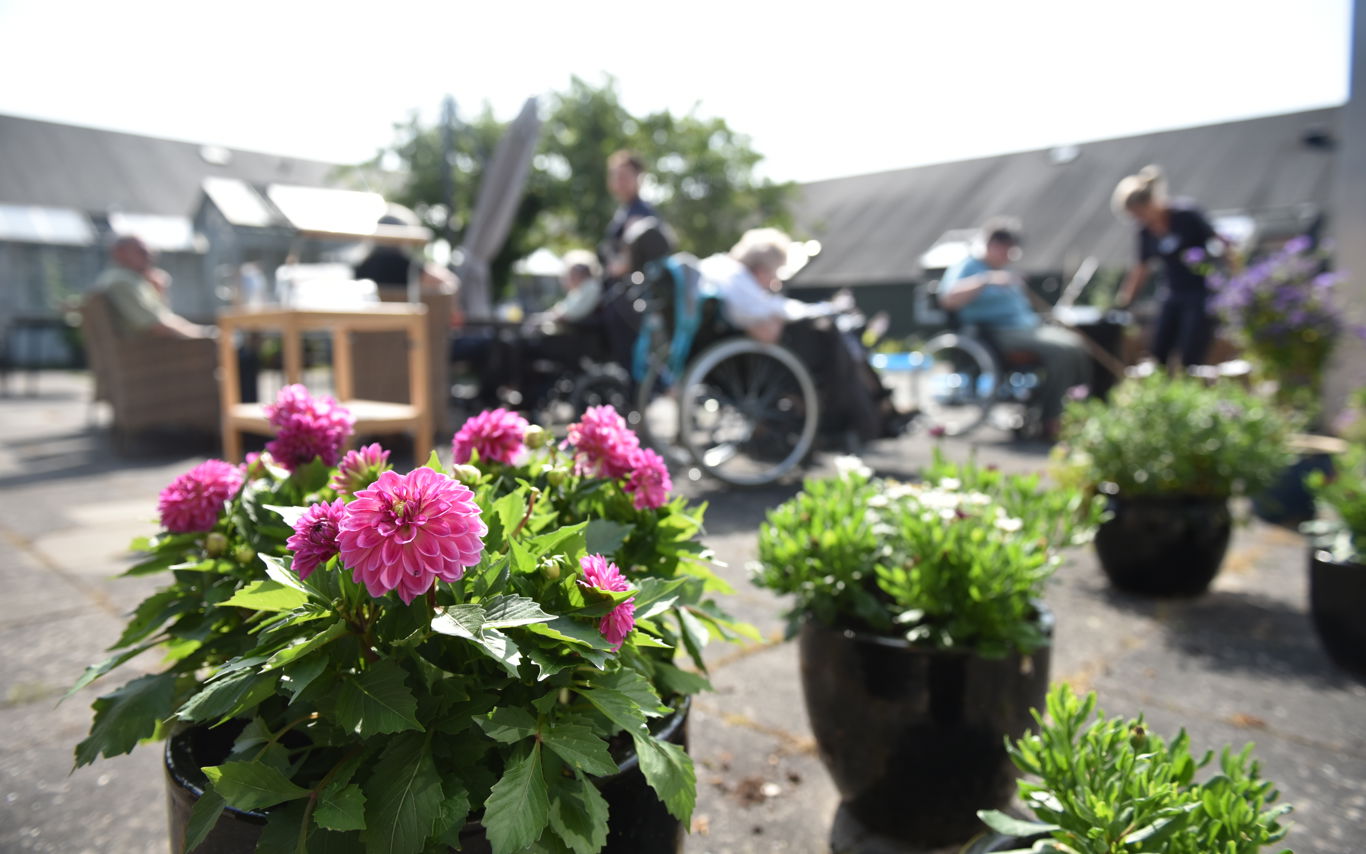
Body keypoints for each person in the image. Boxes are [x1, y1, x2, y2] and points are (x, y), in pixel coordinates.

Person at [699, 228, 901, 446]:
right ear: (761, 271)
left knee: (830, 335)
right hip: (753, 363)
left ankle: (864, 415)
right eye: (774, 275)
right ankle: (857, 419)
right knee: (829, 337)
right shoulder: (737, 282)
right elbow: (767, 330)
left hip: (729, 357)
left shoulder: (722, 270)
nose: (775, 284)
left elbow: (771, 311)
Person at [939, 220, 1091, 440]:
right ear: (991, 245)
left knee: (1077, 345)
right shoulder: (970, 266)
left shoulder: (1006, 269)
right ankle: (1051, 418)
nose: (1008, 255)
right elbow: (948, 299)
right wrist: (987, 279)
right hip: (997, 332)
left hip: (1028, 328)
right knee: (1061, 352)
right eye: (1004, 249)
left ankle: (1072, 408)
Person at [95, 235, 260, 403]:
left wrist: (158, 290)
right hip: (153, 355)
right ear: (120, 253)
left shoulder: (130, 280)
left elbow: (161, 318)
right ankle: (243, 416)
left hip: (154, 350)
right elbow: (157, 325)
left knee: (239, 351)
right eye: (142, 251)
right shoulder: (122, 282)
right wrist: (206, 335)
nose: (150, 256)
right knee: (243, 356)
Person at [1113, 165, 1231, 369]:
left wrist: (1233, 281)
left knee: (1191, 354)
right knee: (1158, 352)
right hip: (1172, 292)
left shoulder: (1186, 215)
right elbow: (1141, 268)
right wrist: (1124, 301)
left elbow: (1222, 243)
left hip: (1200, 292)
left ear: (1150, 203)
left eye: (1140, 213)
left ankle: (1191, 384)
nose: (1139, 219)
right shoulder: (1145, 232)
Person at [599, 150, 660, 279]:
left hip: (632, 285)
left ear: (638, 178)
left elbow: (626, 263)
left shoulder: (640, 211)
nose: (619, 181)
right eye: (615, 175)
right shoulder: (624, 210)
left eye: (624, 176)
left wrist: (615, 267)